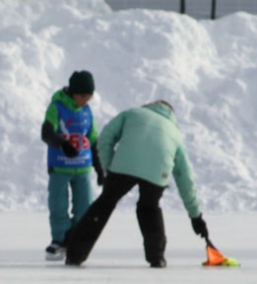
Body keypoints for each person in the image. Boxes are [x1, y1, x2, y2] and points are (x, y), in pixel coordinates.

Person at [64, 99, 208, 267]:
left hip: (125, 164)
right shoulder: (174, 133)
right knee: (149, 207)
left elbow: (105, 137)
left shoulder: (132, 114)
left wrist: (109, 168)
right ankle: (157, 257)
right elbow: (186, 178)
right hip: (157, 170)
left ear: (150, 105)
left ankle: (75, 254)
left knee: (104, 204)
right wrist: (195, 216)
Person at [41, 70, 104, 261]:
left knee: (84, 207)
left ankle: (76, 239)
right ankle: (60, 239)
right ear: (73, 92)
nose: (85, 100)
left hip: (82, 168)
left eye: (89, 97)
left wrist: (100, 169)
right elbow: (46, 133)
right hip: (60, 167)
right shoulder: (57, 107)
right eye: (82, 96)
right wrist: (62, 143)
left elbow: (93, 140)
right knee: (58, 205)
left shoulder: (86, 112)